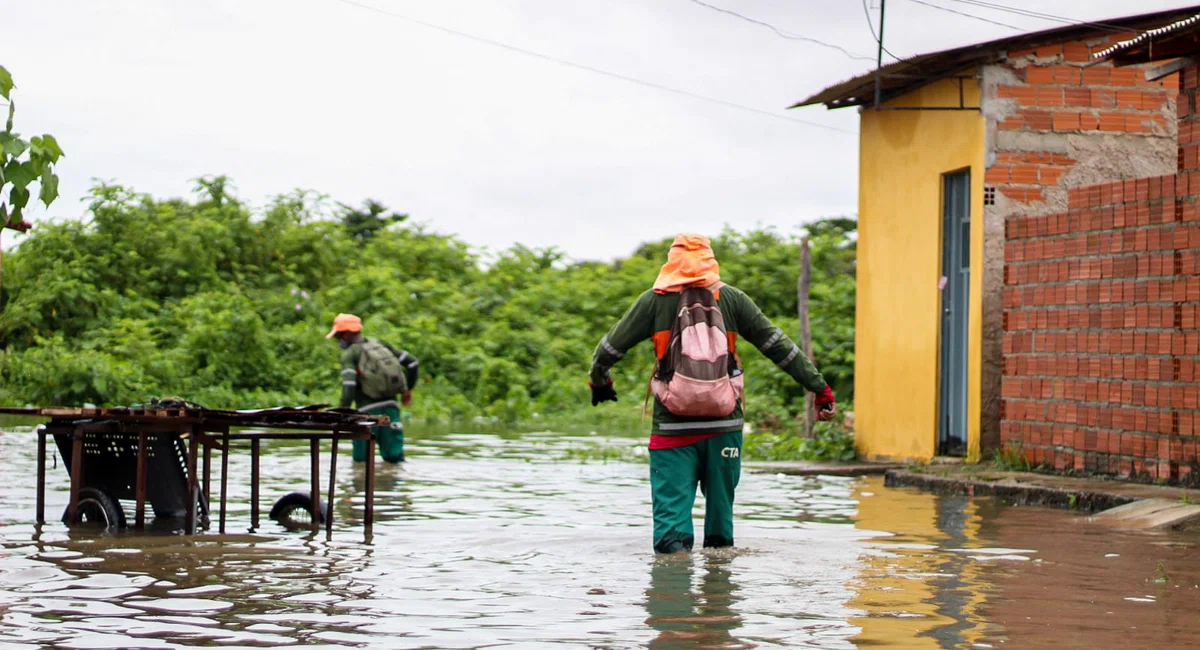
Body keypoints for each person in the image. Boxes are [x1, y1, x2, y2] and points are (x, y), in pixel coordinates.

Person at [590, 234, 835, 554]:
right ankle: (720, 595)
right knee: (721, 534)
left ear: (671, 261)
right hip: (724, 426)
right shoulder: (732, 299)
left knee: (671, 533)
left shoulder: (654, 300)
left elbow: (608, 349)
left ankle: (671, 591)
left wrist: (600, 381)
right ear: (710, 261)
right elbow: (778, 346)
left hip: (672, 429)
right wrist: (820, 389)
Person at [327, 313, 419, 463]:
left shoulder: (350, 354)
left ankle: (363, 486)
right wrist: (408, 390)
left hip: (366, 414)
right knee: (395, 460)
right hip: (390, 412)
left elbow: (349, 386)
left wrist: (343, 412)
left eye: (338, 336)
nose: (338, 340)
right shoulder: (382, 345)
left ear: (345, 335)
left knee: (361, 463)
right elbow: (413, 363)